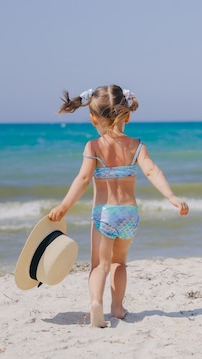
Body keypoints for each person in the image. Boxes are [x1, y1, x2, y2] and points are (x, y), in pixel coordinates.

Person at [48, 84, 189, 327]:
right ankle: (118, 307)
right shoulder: (137, 145)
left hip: (105, 214)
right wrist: (172, 198)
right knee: (119, 263)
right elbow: (153, 171)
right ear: (128, 114)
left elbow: (82, 179)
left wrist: (64, 206)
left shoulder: (93, 146)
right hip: (129, 214)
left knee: (99, 266)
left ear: (93, 118)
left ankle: (96, 303)